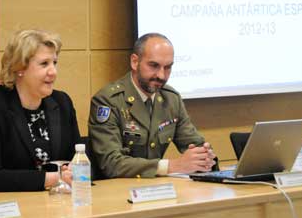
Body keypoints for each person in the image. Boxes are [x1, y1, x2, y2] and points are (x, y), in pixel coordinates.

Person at [0, 29, 83, 192]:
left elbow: (80, 158)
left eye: (54, 63)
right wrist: (54, 178)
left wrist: (73, 172)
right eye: (44, 64)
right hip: (5, 207)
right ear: (19, 67)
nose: (53, 72)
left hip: (56, 203)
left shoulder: (62, 102)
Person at [89, 33, 217, 178]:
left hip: (158, 189)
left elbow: (194, 142)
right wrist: (173, 166)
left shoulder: (171, 98)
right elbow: (111, 164)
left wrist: (204, 157)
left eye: (168, 67)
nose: (162, 75)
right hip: (119, 191)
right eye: (154, 66)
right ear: (135, 62)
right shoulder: (108, 100)